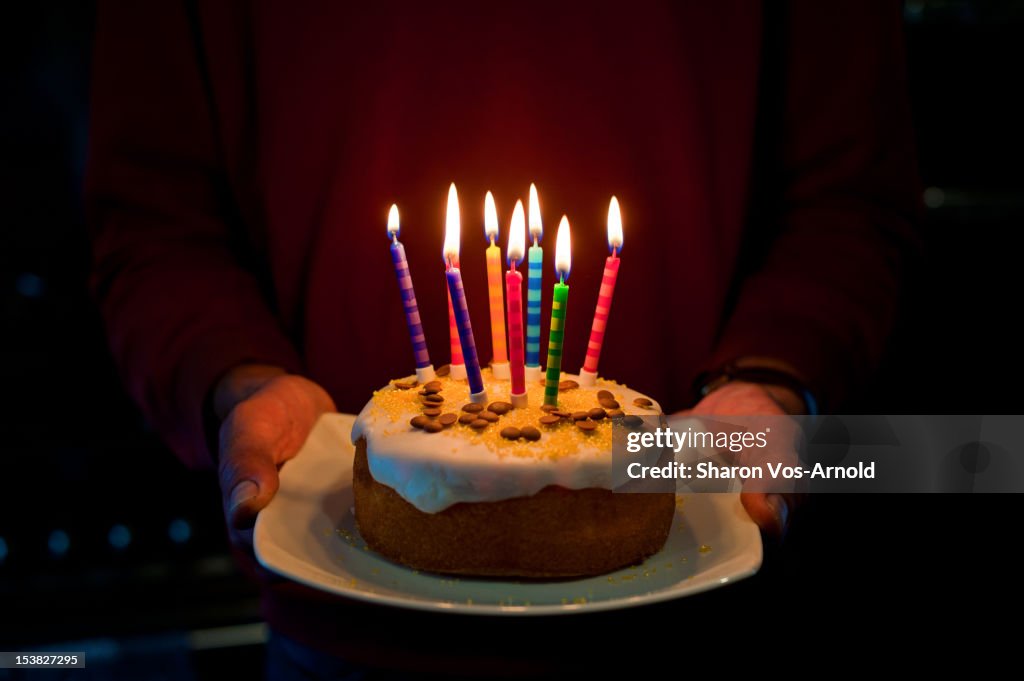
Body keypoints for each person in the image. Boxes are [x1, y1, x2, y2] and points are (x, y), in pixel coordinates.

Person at [86, 1, 919, 677]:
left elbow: (853, 194)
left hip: (702, 625)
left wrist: (778, 373)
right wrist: (234, 373)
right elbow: (152, 219)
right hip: (338, 633)